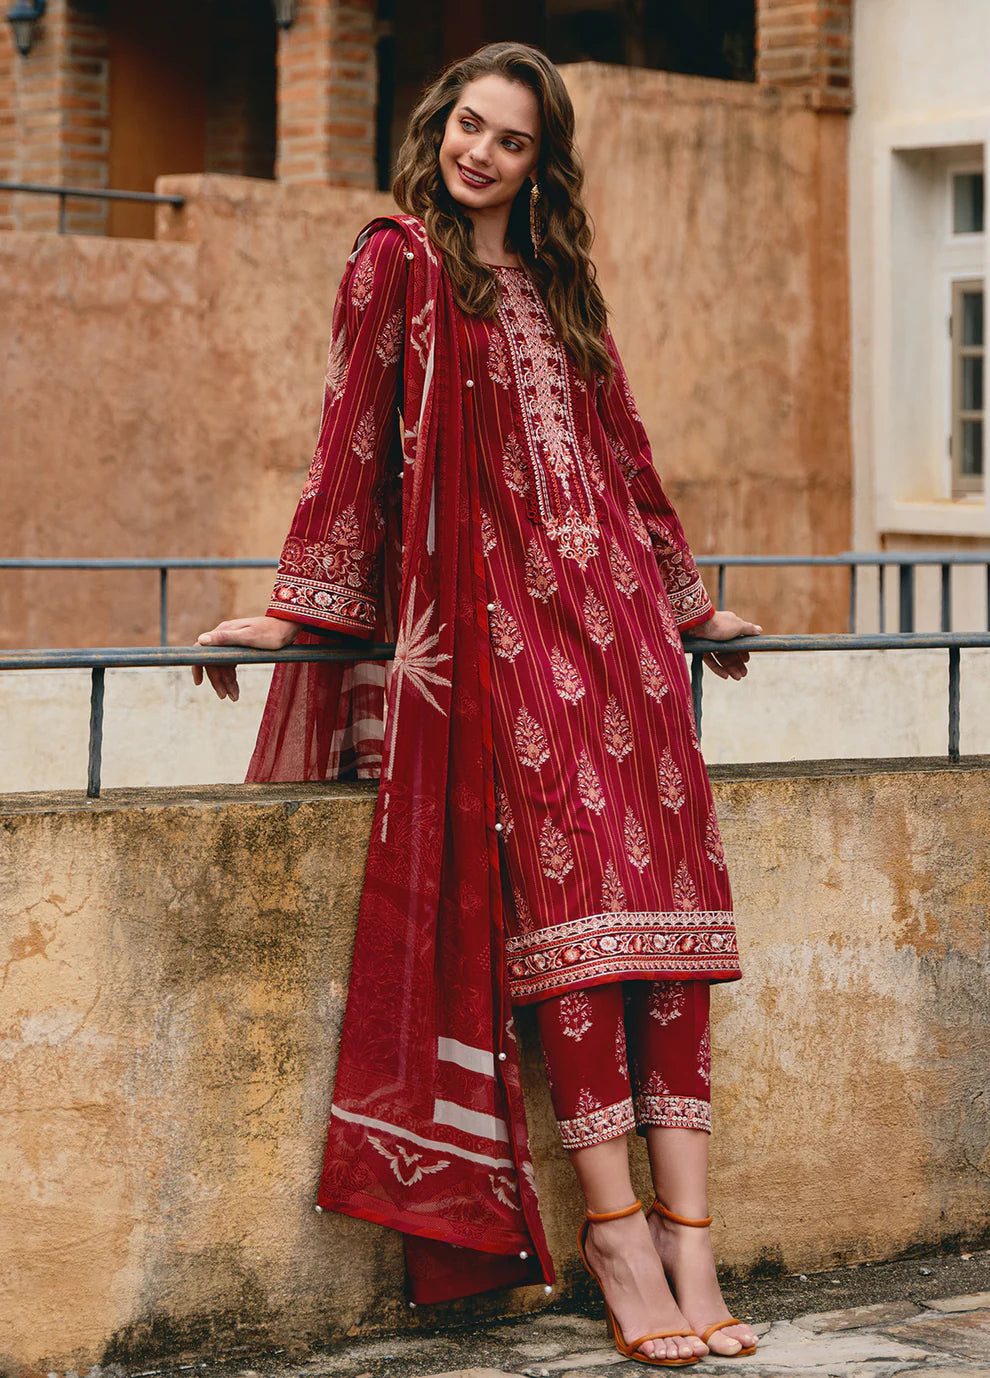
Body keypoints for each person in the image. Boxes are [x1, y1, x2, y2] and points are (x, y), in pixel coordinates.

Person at [194, 42, 761, 1369]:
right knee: (576, 929)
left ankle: (695, 1240)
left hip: (617, 628)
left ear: (536, 163)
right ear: (436, 125)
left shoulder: (561, 280)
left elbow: (623, 459)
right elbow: (348, 445)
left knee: (670, 929)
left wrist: (687, 605)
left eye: (509, 139)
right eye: (467, 124)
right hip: (501, 637)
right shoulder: (394, 261)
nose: (479, 153)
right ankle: (619, 1239)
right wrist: (292, 613)